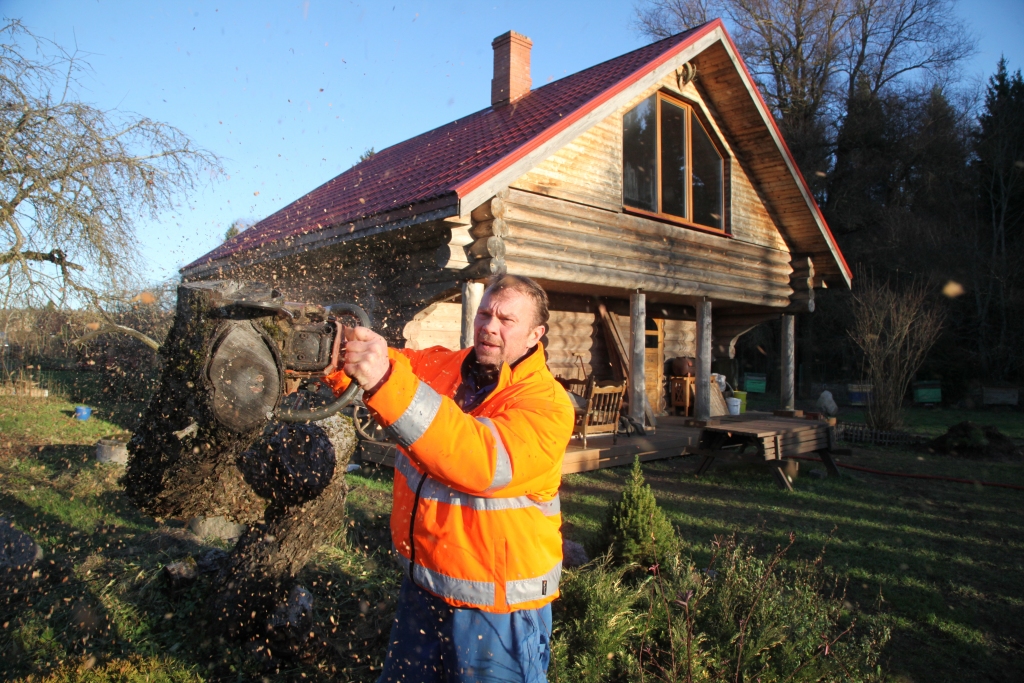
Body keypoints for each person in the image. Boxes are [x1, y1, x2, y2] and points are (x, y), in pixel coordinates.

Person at [326, 274, 575, 682]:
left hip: (498, 612)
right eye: (484, 314)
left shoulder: (547, 405)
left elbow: (477, 459)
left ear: (535, 335)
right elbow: (386, 362)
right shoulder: (442, 366)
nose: (489, 326)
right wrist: (336, 350)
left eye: (506, 320)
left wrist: (386, 382)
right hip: (423, 587)